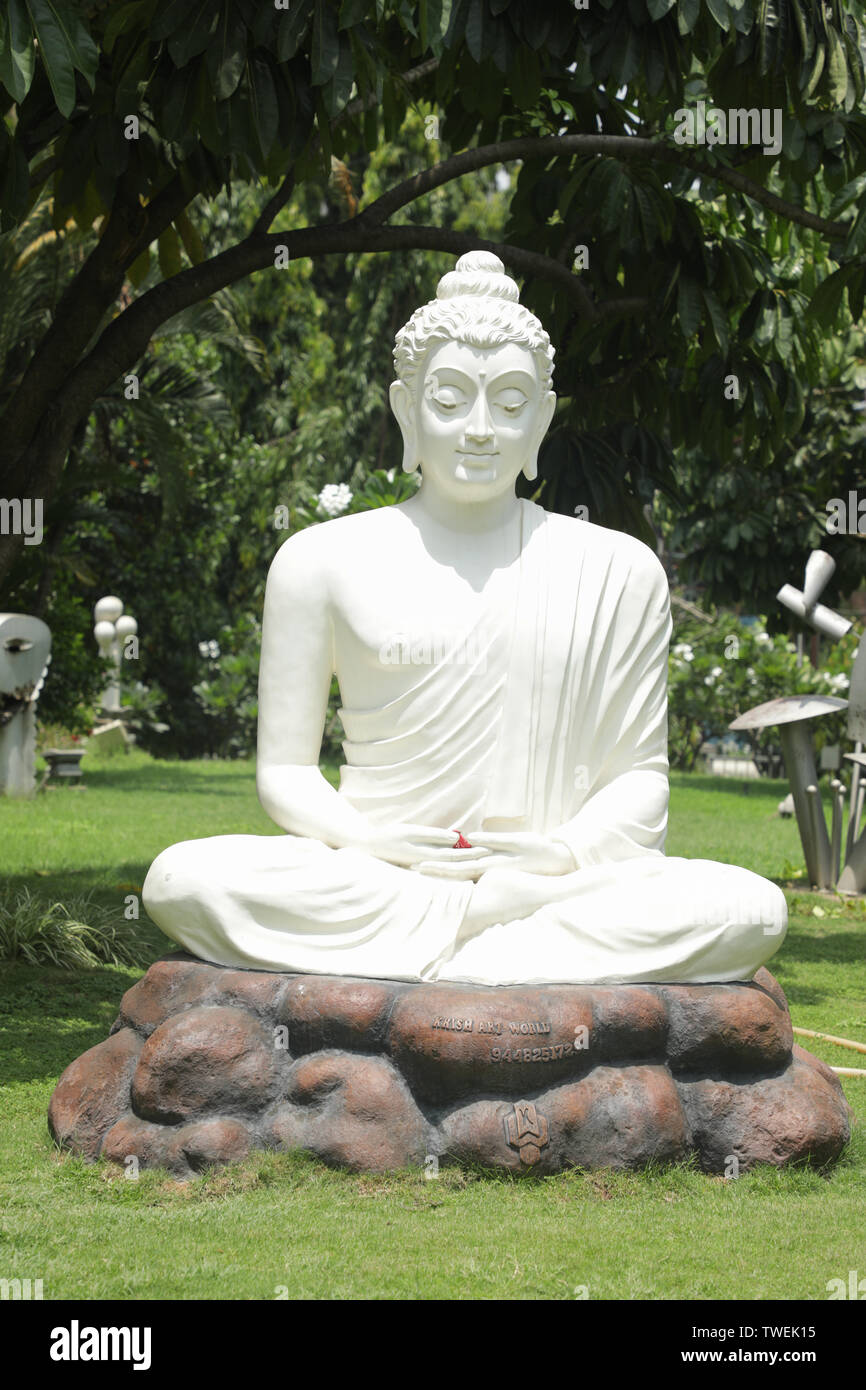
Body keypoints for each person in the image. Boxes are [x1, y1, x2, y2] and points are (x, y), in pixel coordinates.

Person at [143, 251, 786, 985]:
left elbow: (640, 782)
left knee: (751, 909)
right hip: (377, 874)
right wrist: (374, 842)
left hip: (545, 884)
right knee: (180, 879)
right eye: (449, 399)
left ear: (541, 418)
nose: (480, 429)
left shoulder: (617, 570)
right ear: (405, 409)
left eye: (510, 404)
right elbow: (287, 773)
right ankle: (489, 949)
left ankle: (459, 946)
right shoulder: (320, 559)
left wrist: (560, 856)